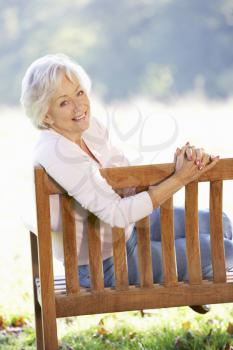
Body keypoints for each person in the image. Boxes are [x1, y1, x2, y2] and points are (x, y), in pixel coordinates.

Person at [20, 54, 233, 301]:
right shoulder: (55, 152)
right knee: (225, 249)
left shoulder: (89, 128)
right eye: (64, 102)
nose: (79, 107)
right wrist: (180, 179)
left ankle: (195, 274)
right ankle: (196, 278)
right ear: (46, 115)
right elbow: (116, 214)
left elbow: (125, 175)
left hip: (131, 227)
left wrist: (179, 166)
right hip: (104, 264)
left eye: (79, 93)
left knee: (222, 223)